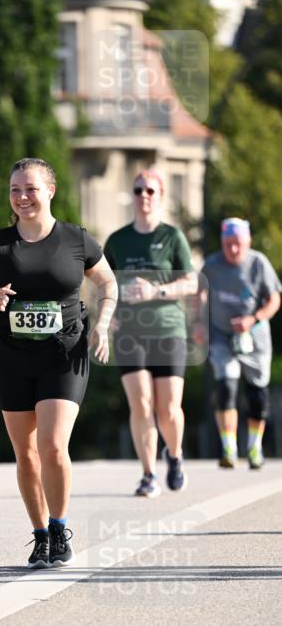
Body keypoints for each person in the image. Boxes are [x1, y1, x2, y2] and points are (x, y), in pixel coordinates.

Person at [0, 157, 116, 569]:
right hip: (12, 357)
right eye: (15, 190)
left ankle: (60, 527)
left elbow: (107, 282)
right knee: (26, 454)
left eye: (30, 189)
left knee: (52, 445)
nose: (22, 197)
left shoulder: (76, 239)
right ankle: (41, 534)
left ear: (50, 191)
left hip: (63, 354)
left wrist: (103, 324)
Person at [104, 170, 197, 498]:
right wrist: (107, 315)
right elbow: (103, 282)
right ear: (132, 196)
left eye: (150, 191)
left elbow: (191, 283)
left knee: (168, 408)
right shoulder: (117, 240)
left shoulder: (172, 236)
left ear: (160, 196)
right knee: (141, 404)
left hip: (168, 330)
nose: (144, 195)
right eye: (138, 190)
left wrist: (155, 291)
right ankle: (148, 474)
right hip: (129, 333)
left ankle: (175, 454)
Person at [202, 217, 281, 469]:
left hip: (254, 337)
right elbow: (199, 295)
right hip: (221, 336)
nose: (233, 249)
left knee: (257, 395)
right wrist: (198, 324)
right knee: (226, 386)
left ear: (248, 241)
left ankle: (255, 447)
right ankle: (229, 448)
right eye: (228, 244)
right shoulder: (211, 266)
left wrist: (253, 319)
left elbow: (274, 300)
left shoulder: (258, 263)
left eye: (237, 243)